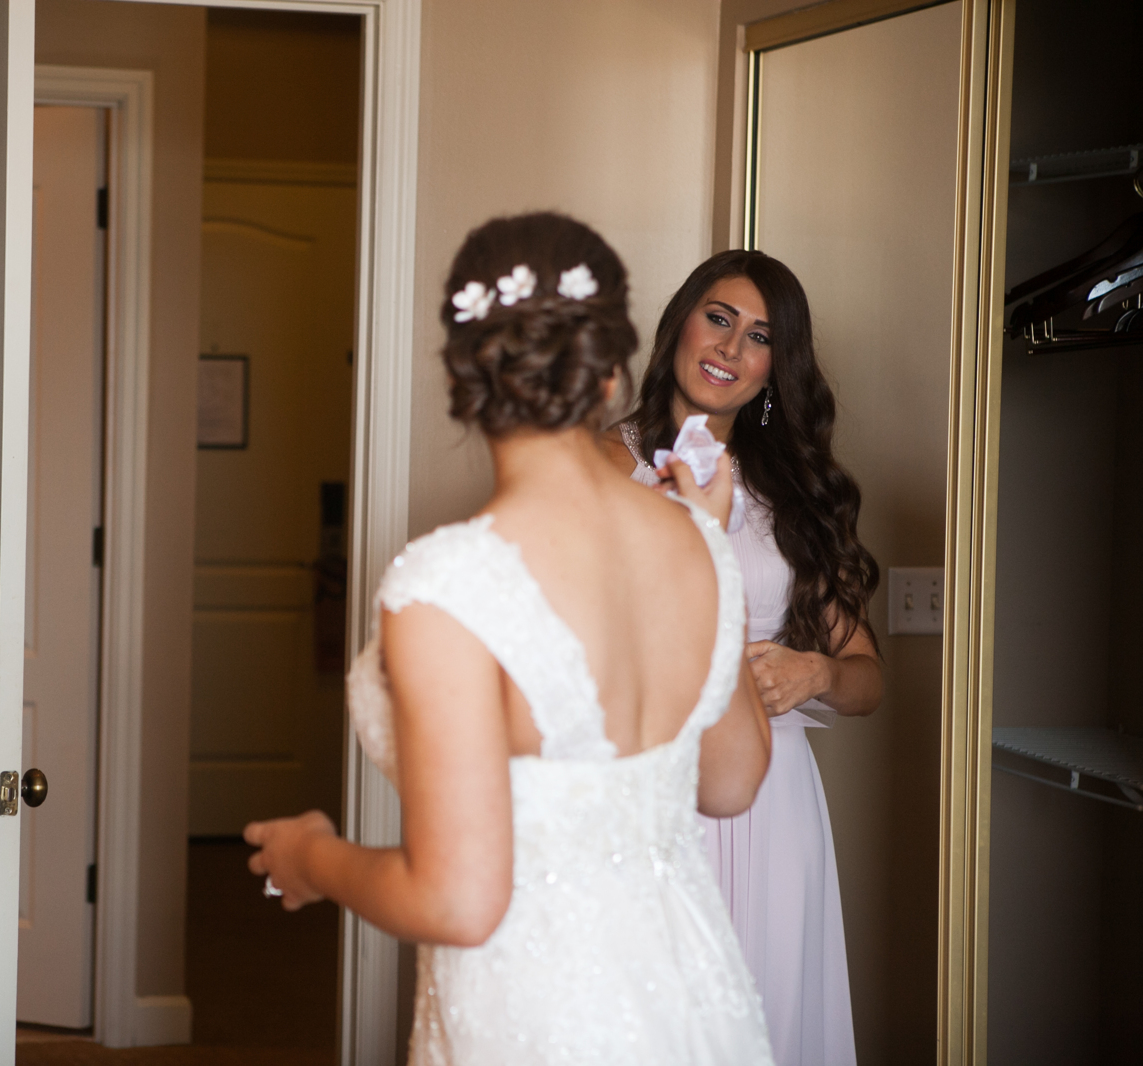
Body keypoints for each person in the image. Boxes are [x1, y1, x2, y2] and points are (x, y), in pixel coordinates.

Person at [244, 213, 775, 1065]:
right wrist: (710, 551)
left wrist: (314, 856)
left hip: (538, 1017)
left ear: (462, 372)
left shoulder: (451, 582)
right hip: (693, 1004)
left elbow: (457, 903)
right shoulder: (696, 543)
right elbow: (733, 781)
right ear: (611, 371)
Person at [607, 249, 882, 1066]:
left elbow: (867, 680)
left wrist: (818, 672)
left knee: (767, 1018)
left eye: (759, 336)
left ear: (773, 368)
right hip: (646, 786)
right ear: (680, 325)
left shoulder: (795, 495)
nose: (730, 347)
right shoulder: (601, 466)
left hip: (775, 798)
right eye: (719, 318)